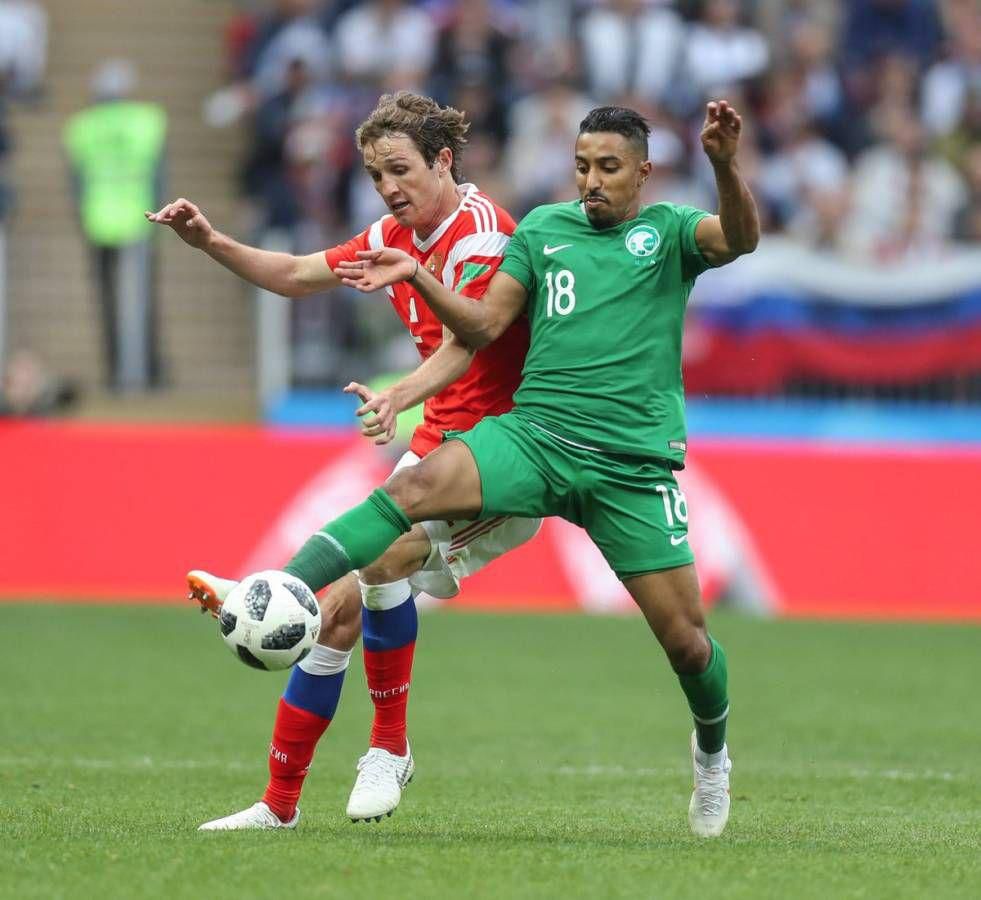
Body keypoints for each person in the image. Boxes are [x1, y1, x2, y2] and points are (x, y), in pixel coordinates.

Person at [276, 100, 760, 838]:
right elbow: (479, 326)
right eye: (580, 166)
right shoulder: (541, 230)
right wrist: (418, 274)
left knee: (688, 644)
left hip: (630, 467)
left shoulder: (668, 234)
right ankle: (281, 586)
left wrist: (725, 163)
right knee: (409, 488)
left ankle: (712, 755)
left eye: (607, 168)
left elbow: (740, 238)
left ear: (642, 172)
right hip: (535, 437)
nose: (590, 181)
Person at [146, 92, 541, 829]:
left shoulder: (481, 233)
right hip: (436, 451)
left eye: (401, 170)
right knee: (333, 617)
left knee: (382, 561)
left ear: (444, 160)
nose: (389, 187)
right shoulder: (394, 232)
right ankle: (279, 805)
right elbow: (298, 274)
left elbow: (474, 339)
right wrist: (210, 243)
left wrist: (399, 396)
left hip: (504, 456)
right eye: (375, 174)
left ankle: (388, 747)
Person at [64, 60, 167, 391]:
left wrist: (81, 214)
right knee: (142, 302)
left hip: (98, 220)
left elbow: (76, 181)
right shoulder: (147, 121)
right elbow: (158, 174)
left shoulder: (82, 126)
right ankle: (145, 371)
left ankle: (115, 373)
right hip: (140, 218)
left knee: (108, 302)